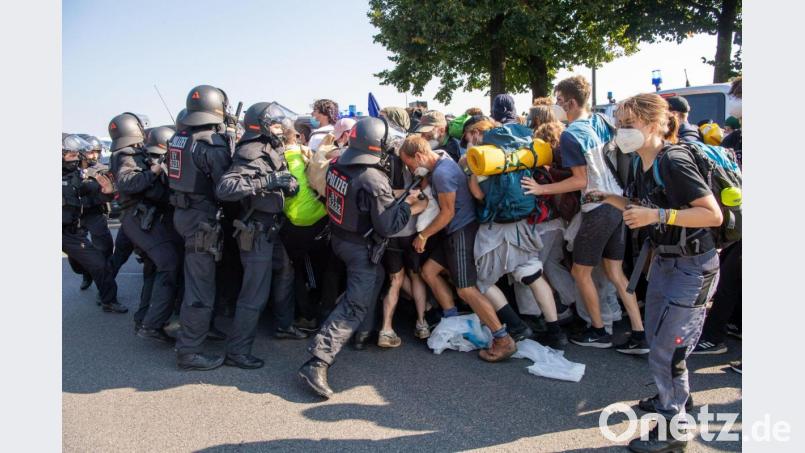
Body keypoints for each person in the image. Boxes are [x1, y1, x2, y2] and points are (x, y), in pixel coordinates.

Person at [593, 93, 723, 452]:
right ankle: (678, 399)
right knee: (659, 339)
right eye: (619, 124)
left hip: (692, 266)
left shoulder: (674, 160)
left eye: (628, 123)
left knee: (670, 348)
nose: (621, 130)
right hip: (666, 262)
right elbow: (643, 204)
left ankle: (672, 429)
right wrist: (608, 198)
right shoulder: (642, 163)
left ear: (654, 124)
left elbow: (712, 215)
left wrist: (659, 216)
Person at [521, 75, 646, 353]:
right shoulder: (601, 121)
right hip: (618, 202)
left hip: (597, 205)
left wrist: (542, 189)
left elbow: (580, 180)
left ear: (571, 102)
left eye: (559, 100)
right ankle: (639, 332)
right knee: (615, 272)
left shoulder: (570, 134)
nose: (557, 105)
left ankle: (598, 330)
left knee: (580, 271)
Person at [299, 117, 420, 398]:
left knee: (376, 278)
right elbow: (387, 225)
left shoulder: (338, 163)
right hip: (359, 248)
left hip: (340, 238)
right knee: (355, 305)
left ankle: (362, 333)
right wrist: (409, 205)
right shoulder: (373, 179)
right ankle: (317, 361)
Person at [400, 135, 518, 362]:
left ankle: (503, 339)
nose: (410, 169)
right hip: (455, 230)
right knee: (429, 271)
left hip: (461, 231)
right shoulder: (441, 159)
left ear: (420, 156)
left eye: (410, 163)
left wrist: (424, 235)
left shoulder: (442, 174)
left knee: (466, 289)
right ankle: (452, 319)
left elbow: (447, 213)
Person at [215, 102, 306, 369]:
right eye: (275, 124)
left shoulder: (269, 147)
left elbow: (279, 177)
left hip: (271, 227)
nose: (280, 129)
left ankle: (284, 325)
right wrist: (267, 182)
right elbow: (226, 187)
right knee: (254, 293)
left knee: (285, 271)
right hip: (255, 230)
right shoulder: (251, 151)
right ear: (262, 125)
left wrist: (287, 184)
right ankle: (237, 352)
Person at [464, 119, 568, 348]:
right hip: (522, 225)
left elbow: (479, 195)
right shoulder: (518, 149)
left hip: (495, 229)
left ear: (477, 133)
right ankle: (556, 332)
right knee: (533, 275)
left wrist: (472, 170)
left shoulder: (486, 157)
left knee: (481, 281)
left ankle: (517, 326)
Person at [168, 85, 235, 371]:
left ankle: (200, 331)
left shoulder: (178, 138)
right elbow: (225, 188)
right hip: (201, 219)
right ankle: (189, 351)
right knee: (201, 288)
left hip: (183, 213)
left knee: (195, 279)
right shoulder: (211, 144)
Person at [110, 115, 183, 341]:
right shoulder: (126, 154)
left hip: (144, 218)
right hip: (139, 218)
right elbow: (128, 182)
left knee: (153, 268)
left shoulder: (133, 153)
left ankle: (144, 319)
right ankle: (152, 325)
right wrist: (155, 170)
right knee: (169, 264)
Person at [376, 111, 431, 347]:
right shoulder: (410, 153)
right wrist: (415, 203)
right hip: (410, 228)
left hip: (391, 229)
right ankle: (422, 323)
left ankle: (386, 329)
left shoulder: (384, 156)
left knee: (395, 279)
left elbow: (387, 194)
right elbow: (422, 196)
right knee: (415, 275)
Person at [62, 133, 127, 314]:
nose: (75, 159)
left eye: (77, 155)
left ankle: (108, 300)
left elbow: (93, 193)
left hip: (70, 231)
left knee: (98, 263)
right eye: (71, 155)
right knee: (79, 264)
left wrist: (107, 192)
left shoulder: (78, 176)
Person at [278, 118, 331, 331]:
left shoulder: (277, 158)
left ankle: (307, 316)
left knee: (299, 269)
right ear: (298, 136)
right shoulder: (307, 152)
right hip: (321, 215)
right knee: (320, 266)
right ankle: (321, 310)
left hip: (298, 221)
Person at [68, 134, 114, 292]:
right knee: (76, 254)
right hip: (75, 216)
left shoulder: (102, 170)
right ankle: (86, 273)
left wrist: (105, 191)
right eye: (91, 152)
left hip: (95, 213)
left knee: (105, 247)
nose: (95, 155)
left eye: (97, 152)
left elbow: (109, 194)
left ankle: (104, 282)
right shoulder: (69, 169)